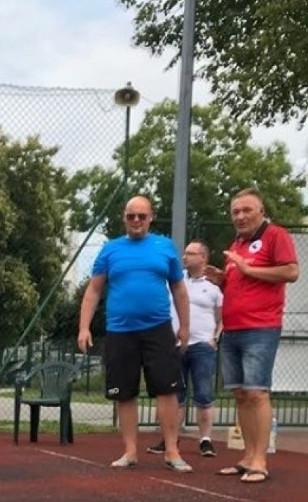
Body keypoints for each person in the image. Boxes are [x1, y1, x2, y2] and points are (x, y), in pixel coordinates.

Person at [77, 195, 192, 471]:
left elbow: (179, 288)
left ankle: (172, 451)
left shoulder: (165, 247)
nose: (136, 220)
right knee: (125, 392)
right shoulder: (110, 250)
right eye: (131, 216)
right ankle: (130, 451)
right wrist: (83, 327)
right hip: (120, 331)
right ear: (124, 219)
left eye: (141, 215)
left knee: (167, 390)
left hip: (158, 329)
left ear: (151, 216)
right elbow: (94, 290)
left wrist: (185, 327)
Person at [204, 187, 299, 484]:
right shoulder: (238, 244)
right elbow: (240, 282)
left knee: (257, 392)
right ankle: (247, 456)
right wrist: (222, 280)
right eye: (235, 212)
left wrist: (248, 269)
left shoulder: (275, 236)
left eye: (247, 210)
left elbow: (291, 271)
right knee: (241, 394)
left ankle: (260, 460)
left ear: (261, 211)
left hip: (261, 327)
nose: (240, 216)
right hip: (232, 329)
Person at [148, 240, 222, 457]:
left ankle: (205, 440)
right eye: (185, 253)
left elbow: (222, 315)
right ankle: (170, 439)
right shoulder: (175, 282)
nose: (185, 257)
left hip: (202, 346)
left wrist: (215, 337)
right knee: (174, 395)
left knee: (204, 394)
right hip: (175, 346)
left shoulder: (213, 288)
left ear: (203, 258)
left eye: (191, 253)